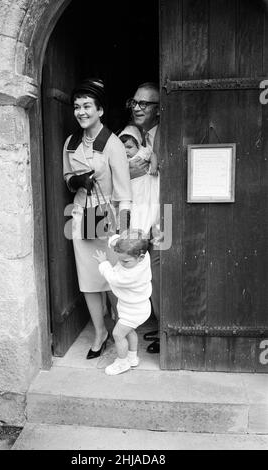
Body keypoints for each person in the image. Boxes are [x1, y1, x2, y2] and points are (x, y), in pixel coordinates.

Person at [63, 78, 132, 359]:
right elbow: (67, 177)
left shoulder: (112, 143)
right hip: (82, 216)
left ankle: (121, 327)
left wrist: (123, 233)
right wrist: (76, 180)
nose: (81, 112)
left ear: (100, 110)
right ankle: (100, 331)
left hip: (108, 218)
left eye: (87, 106)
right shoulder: (71, 142)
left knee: (113, 280)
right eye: (77, 107)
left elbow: (125, 192)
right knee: (89, 280)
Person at [125, 82, 160, 354]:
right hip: (139, 212)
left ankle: (165, 329)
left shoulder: (164, 135)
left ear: (158, 109)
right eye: (135, 102)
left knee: (160, 268)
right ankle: (138, 325)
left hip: (162, 213)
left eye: (144, 104)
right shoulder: (133, 137)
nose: (137, 107)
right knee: (139, 267)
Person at [93, 230, 151, 375]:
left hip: (134, 310)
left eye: (126, 261)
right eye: (119, 259)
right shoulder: (143, 255)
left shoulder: (130, 274)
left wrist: (104, 263)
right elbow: (118, 241)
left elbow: (113, 278)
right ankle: (132, 358)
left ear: (141, 256)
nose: (122, 263)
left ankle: (122, 362)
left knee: (118, 334)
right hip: (136, 306)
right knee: (130, 331)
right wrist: (114, 240)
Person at [118, 125, 159, 234]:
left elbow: (152, 155)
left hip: (143, 188)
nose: (126, 151)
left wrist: (154, 167)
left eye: (129, 147)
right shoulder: (119, 159)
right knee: (128, 210)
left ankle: (143, 231)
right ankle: (127, 232)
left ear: (138, 146)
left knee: (144, 208)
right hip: (129, 191)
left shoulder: (142, 153)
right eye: (122, 148)